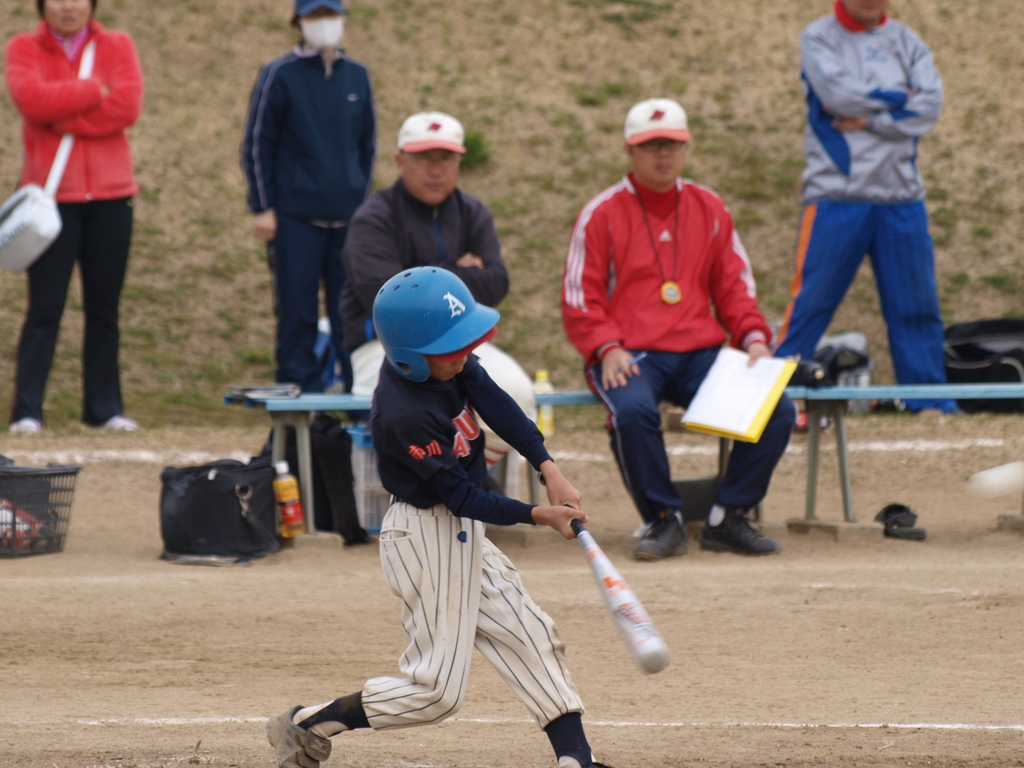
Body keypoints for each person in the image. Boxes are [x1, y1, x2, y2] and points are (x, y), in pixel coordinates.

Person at [266, 267, 611, 768]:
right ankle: (307, 723)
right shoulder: (405, 413)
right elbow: (463, 497)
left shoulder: (446, 362)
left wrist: (547, 467)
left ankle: (576, 759)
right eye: (452, 348)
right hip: (423, 536)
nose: (464, 355)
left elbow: (495, 402)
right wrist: (539, 514)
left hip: (461, 529)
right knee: (436, 694)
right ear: (410, 356)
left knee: (531, 635)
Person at [561, 98, 795, 560]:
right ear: (630, 151)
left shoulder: (710, 206)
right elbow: (579, 297)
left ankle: (727, 517)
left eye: (672, 144)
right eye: (651, 146)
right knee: (632, 412)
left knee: (777, 409)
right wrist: (606, 346)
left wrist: (753, 338)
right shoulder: (602, 212)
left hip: (699, 353)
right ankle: (663, 519)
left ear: (686, 148)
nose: (663, 154)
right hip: (630, 352)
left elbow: (734, 285)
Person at [772, 0, 957, 414]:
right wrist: (898, 98)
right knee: (809, 306)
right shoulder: (819, 37)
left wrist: (871, 119)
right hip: (836, 197)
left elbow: (929, 106)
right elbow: (838, 96)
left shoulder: (908, 43)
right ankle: (777, 399)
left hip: (901, 199)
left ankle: (929, 403)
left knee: (917, 309)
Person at [339, 111, 533, 477]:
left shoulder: (473, 212)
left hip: (460, 346)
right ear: (400, 161)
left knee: (518, 392)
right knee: (424, 413)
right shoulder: (374, 217)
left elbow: (496, 283)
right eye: (423, 157)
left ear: (459, 162)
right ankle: (446, 489)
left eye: (446, 158)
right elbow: (387, 301)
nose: (436, 169)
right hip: (386, 349)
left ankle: (464, 486)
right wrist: (462, 272)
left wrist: (419, 277)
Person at [4, 0, 143, 434]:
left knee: (104, 310)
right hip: (52, 201)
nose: (68, 6)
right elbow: (32, 101)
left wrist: (61, 118)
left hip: (112, 198)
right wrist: (90, 91)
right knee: (44, 309)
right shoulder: (23, 47)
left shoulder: (117, 45)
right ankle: (27, 410)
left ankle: (104, 408)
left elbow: (126, 106)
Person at [241, 0, 375, 394]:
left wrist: (362, 203)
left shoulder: (357, 75)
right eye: (315, 16)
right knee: (296, 311)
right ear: (298, 22)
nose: (324, 24)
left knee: (349, 312)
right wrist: (263, 206)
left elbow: (367, 144)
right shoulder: (279, 73)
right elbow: (257, 142)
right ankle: (299, 396)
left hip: (347, 219)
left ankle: (356, 392)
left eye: (331, 15)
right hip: (295, 218)